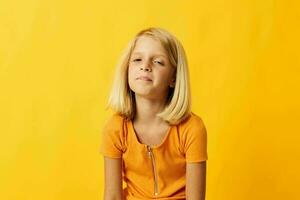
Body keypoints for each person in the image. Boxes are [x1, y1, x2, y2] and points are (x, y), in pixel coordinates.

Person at [99, 27, 208, 200]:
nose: (145, 66)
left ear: (173, 78)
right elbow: (112, 195)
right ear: (127, 70)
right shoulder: (115, 128)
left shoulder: (192, 129)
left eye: (158, 62)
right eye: (137, 59)